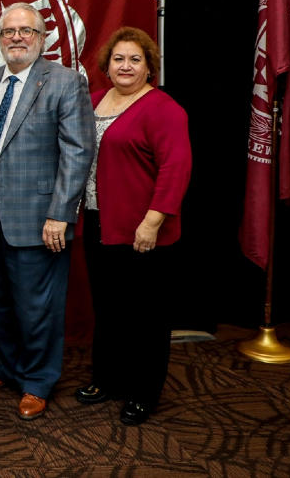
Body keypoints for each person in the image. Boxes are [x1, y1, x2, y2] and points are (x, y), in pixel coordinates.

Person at [0, 2, 95, 421]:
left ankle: (38, 381)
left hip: (40, 216)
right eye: (8, 32)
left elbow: (79, 150)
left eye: (26, 31)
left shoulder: (63, 81)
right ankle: (9, 368)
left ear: (42, 39)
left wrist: (61, 213)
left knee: (36, 304)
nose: (17, 38)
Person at [76, 27, 191, 425]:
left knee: (148, 316)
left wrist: (152, 221)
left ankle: (143, 393)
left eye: (135, 59)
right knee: (109, 310)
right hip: (98, 223)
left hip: (144, 231)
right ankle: (107, 379)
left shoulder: (164, 109)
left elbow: (176, 168)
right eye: (119, 59)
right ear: (107, 65)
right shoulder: (90, 102)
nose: (125, 66)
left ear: (149, 66)